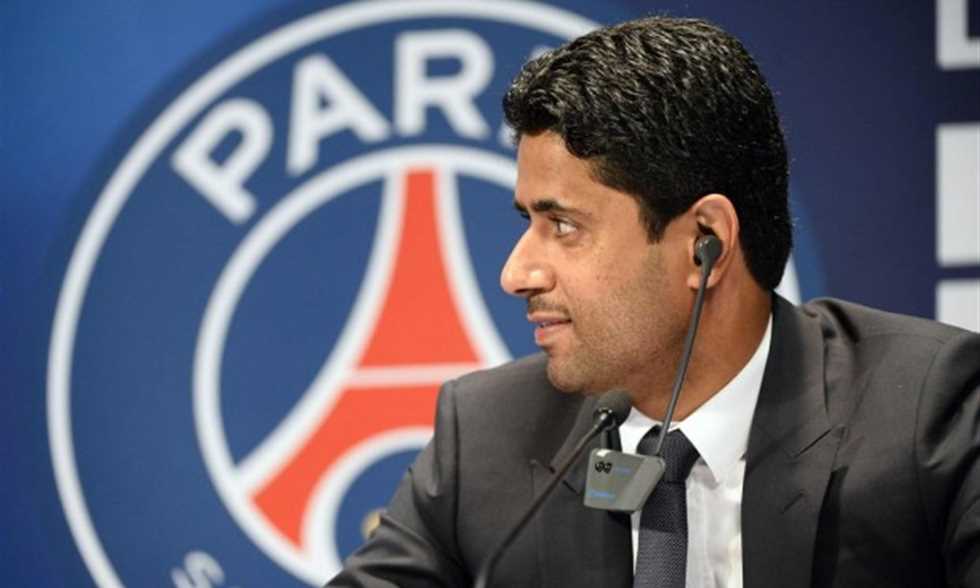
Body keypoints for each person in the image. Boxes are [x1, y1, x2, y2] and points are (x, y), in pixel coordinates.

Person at [328, 16, 980, 588]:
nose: (515, 273)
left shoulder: (923, 414)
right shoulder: (488, 435)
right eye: (528, 221)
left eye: (563, 226)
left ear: (704, 243)